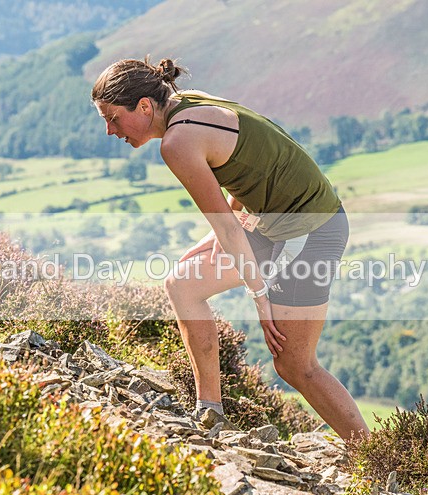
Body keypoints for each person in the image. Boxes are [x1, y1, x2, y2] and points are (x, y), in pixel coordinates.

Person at [91, 57, 369, 442]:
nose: (109, 130)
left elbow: (226, 226)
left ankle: (371, 457)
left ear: (143, 106)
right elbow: (246, 169)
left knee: (294, 364)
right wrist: (206, 247)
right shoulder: (187, 102)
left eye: (113, 118)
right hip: (275, 225)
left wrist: (260, 297)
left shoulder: (177, 143)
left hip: (312, 230)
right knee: (182, 284)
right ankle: (210, 413)